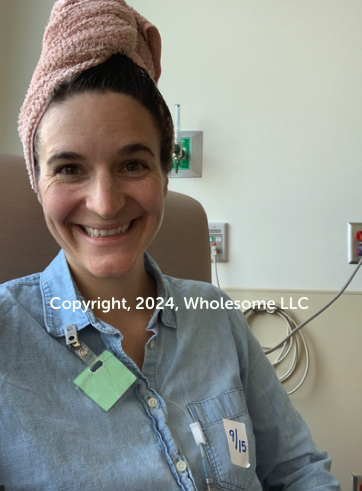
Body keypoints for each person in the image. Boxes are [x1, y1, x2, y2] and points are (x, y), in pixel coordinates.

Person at [0, 1, 341, 490]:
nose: (104, 203)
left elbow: (297, 471)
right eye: (70, 168)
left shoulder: (217, 318)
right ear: (38, 183)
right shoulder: (7, 340)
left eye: (133, 164)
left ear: (164, 175)